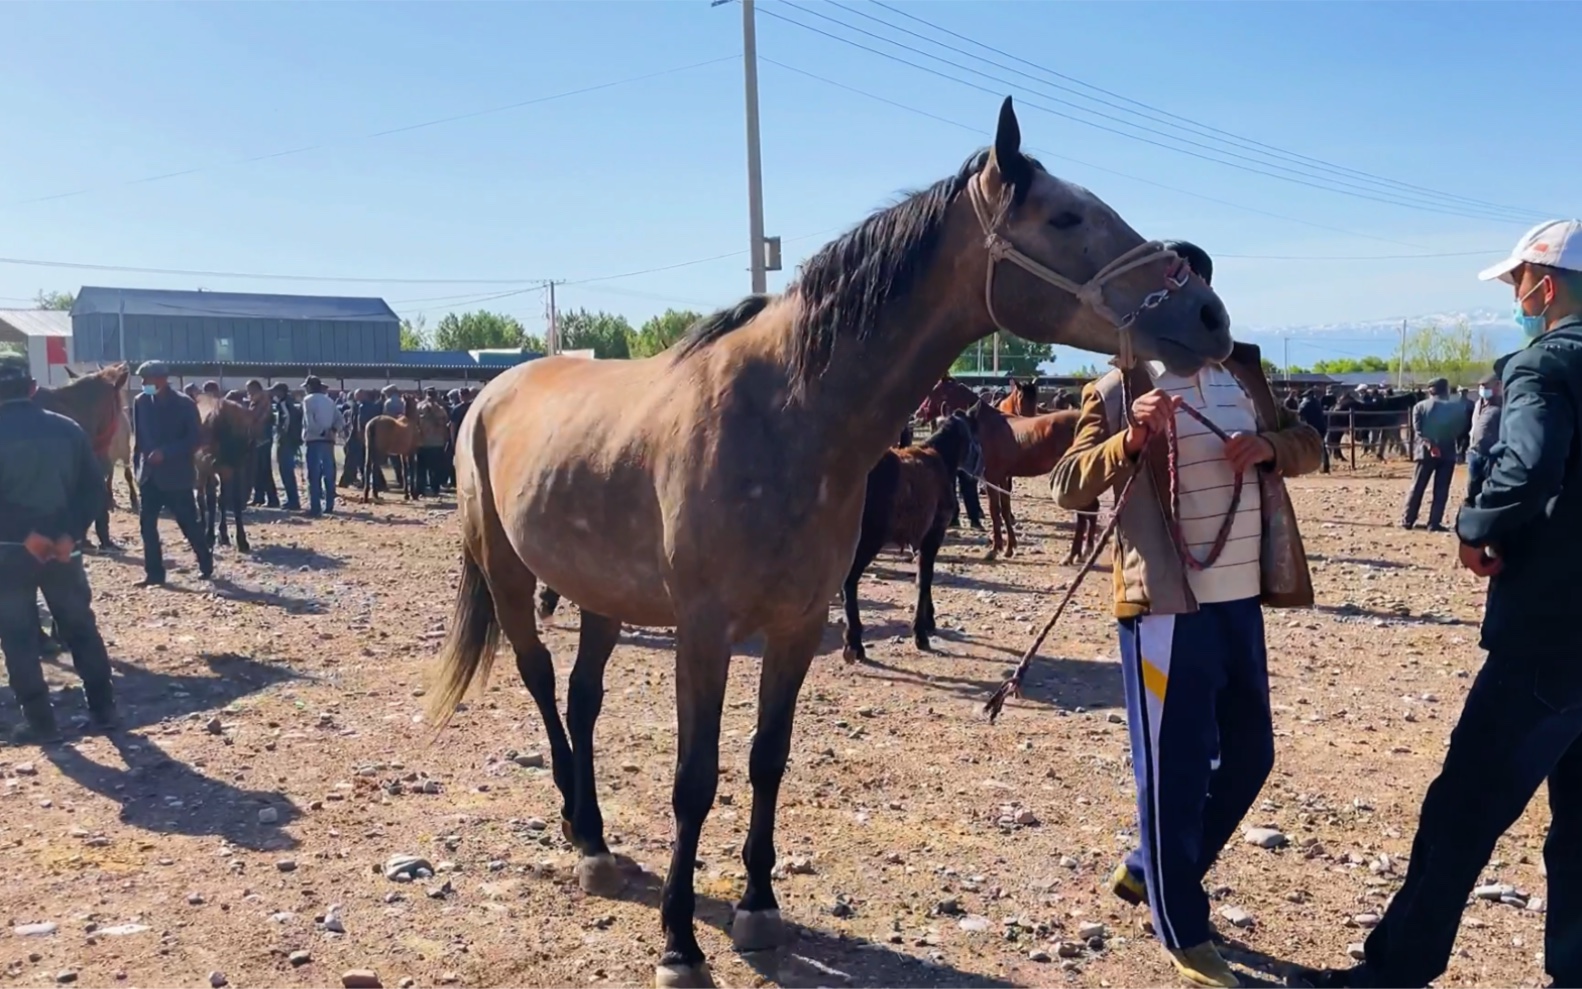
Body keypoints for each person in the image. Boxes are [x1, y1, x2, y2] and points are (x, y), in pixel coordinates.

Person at [1309, 222, 1582, 985]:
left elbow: (1528, 467)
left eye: (1517, 286)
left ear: (1545, 284)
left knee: (1463, 809)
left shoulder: (1545, 363)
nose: (1517, 300)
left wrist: (1477, 525)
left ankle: (1395, 970)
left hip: (1551, 631)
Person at [1052, 239, 1323, 989]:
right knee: (1169, 774)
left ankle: (1151, 867)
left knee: (1252, 754)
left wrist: (1266, 446)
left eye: (1188, 279)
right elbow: (1068, 484)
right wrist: (1130, 437)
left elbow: (1309, 446)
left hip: (1241, 602)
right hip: (1167, 610)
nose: (1180, 291)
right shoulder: (1115, 385)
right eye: (1165, 281)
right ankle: (1183, 929)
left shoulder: (1245, 372)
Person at [0, 353, 117, 743]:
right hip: (65, 553)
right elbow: (95, 491)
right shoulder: (68, 430)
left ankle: (39, 723)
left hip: (10, 553)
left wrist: (26, 534)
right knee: (80, 627)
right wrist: (70, 534)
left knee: (18, 637)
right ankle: (104, 710)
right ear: (34, 388)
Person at [132, 361, 212, 586]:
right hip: (149, 475)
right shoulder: (140, 402)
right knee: (147, 526)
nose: (143, 384)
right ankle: (154, 574)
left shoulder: (184, 404)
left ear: (161, 379)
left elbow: (195, 439)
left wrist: (166, 453)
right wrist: (138, 469)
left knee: (188, 524)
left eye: (146, 379)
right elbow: (139, 439)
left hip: (177, 476)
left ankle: (205, 561)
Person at [1399, 378, 1462, 531]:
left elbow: (1418, 430)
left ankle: (1408, 520)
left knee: (1417, 486)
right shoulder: (1453, 407)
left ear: (1430, 390)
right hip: (1447, 452)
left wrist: (1430, 445)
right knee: (1441, 489)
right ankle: (1434, 523)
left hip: (1424, 453)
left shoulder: (1419, 407)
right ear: (1445, 390)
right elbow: (1458, 429)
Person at [300, 375, 342, 516]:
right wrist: (332, 431)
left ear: (310, 387)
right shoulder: (329, 400)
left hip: (314, 439)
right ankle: (329, 505)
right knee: (329, 473)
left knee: (314, 475)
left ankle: (315, 507)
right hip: (329, 441)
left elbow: (309, 421)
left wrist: (321, 431)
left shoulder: (307, 400)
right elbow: (339, 419)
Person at [1463, 372, 1502, 504]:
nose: (1483, 390)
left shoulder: (1501, 406)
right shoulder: (1477, 404)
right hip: (1474, 452)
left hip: (1491, 454)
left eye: (1486, 386)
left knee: (1489, 485)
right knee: (1473, 485)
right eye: (1481, 387)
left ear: (1497, 386)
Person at [245, 380, 279, 509]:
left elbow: (258, 418)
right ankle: (259, 497)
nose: (248, 392)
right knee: (257, 470)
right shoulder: (256, 401)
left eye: (249, 389)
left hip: (262, 439)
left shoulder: (263, 402)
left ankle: (272, 499)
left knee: (264, 470)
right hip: (257, 439)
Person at [271, 383, 303, 511]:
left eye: (275, 391)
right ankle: (292, 499)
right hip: (290, 441)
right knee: (286, 471)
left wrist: (283, 435)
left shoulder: (284, 404)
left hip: (286, 442)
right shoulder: (288, 403)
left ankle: (293, 500)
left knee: (286, 471)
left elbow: (287, 420)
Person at [415, 388, 449, 496]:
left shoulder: (419, 407)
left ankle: (421, 489)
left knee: (421, 468)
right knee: (435, 468)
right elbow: (445, 424)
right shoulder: (440, 409)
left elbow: (414, 423)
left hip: (422, 441)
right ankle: (435, 489)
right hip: (437, 442)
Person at [1297, 387, 1330, 473]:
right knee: (1322, 446)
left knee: (1307, 446)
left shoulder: (1307, 403)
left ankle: (1306, 466)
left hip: (1313, 428)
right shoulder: (1317, 402)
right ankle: (1325, 466)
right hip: (1321, 427)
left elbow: (1300, 411)